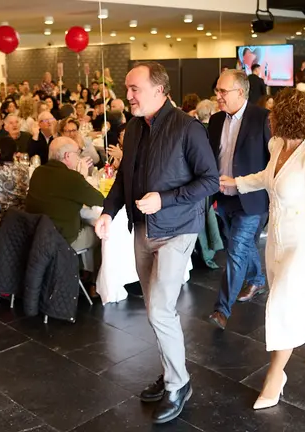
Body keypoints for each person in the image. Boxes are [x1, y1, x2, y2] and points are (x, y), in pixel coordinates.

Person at [95, 62, 219, 424]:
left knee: (159, 311)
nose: (128, 95)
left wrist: (165, 199)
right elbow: (124, 177)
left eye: (134, 88)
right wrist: (108, 211)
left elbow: (209, 180)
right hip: (142, 229)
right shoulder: (133, 128)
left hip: (177, 228)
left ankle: (179, 383)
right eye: (128, 88)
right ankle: (170, 374)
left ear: (159, 89)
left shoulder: (187, 127)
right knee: (156, 311)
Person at [219, 88, 305, 410]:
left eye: (274, 112)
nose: (269, 116)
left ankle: (275, 376)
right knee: (294, 300)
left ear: (289, 116)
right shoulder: (277, 145)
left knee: (284, 303)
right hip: (276, 240)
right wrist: (236, 182)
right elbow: (267, 177)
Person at [207, 69, 271, 329]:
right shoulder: (214, 121)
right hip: (223, 199)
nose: (218, 96)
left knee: (236, 251)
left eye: (223, 91)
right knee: (242, 246)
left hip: (252, 200)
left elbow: (272, 163)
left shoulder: (263, 119)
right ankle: (257, 279)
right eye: (217, 91)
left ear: (241, 92)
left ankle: (222, 310)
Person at [27, 137, 103, 251]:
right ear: (67, 156)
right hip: (64, 240)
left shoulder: (38, 172)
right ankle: (85, 267)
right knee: (101, 232)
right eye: (77, 153)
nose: (79, 157)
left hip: (38, 236)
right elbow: (99, 200)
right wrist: (82, 177)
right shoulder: (72, 178)